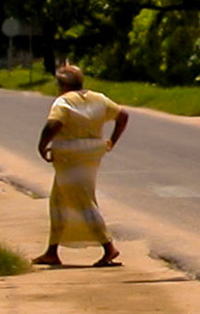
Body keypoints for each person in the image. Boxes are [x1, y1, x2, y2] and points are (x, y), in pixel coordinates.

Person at [32, 64, 128, 267]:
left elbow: (54, 124)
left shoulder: (64, 101)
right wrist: (111, 141)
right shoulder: (99, 98)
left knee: (82, 200)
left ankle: (109, 247)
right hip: (92, 154)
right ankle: (52, 251)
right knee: (58, 200)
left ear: (62, 85)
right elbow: (123, 116)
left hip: (69, 156)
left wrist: (42, 145)